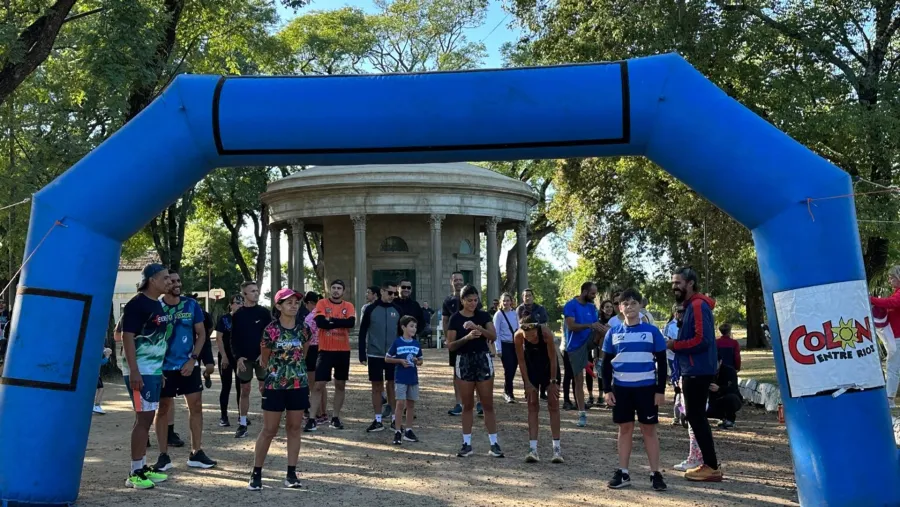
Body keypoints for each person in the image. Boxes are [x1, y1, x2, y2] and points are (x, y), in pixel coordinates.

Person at [601, 288, 668, 491]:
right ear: (619, 308)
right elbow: (605, 364)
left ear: (640, 306)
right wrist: (607, 390)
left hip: (647, 388)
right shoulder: (613, 333)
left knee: (649, 430)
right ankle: (623, 472)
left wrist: (660, 390)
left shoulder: (652, 332)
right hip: (621, 389)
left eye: (633, 303)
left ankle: (655, 473)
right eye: (625, 304)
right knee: (624, 429)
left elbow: (662, 362)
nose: (629, 307)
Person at [154, 271, 216, 471]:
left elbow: (201, 334)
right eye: (172, 281)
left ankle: (196, 452)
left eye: (179, 280)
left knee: (196, 407)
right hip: (163, 368)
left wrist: (193, 359)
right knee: (162, 409)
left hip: (188, 365)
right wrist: (155, 366)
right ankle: (163, 456)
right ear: (164, 284)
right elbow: (148, 339)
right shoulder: (155, 307)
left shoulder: (191, 305)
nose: (176, 284)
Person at [248, 288, 309, 491]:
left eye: (296, 302)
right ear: (278, 306)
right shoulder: (270, 330)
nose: (293, 305)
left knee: (294, 428)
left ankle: (291, 473)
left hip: (298, 385)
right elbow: (264, 358)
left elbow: (304, 353)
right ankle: (256, 472)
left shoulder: (304, 329)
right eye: (288, 302)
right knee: (269, 430)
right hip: (275, 385)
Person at [668, 267, 723, 482]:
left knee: (696, 416)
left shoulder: (698, 305)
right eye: (673, 282)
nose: (674, 286)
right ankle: (709, 463)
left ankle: (711, 465)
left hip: (697, 370)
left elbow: (703, 340)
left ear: (690, 283)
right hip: (694, 369)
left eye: (678, 282)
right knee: (695, 416)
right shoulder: (691, 306)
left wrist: (676, 344)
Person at [120, 263, 172, 489]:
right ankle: (134, 472)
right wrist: (134, 370)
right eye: (165, 278)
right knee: (143, 419)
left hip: (152, 370)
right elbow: (126, 336)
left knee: (148, 418)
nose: (169, 282)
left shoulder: (157, 305)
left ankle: (141, 465)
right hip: (139, 370)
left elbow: (158, 340)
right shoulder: (136, 304)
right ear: (152, 279)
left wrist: (158, 370)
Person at [446, 285, 503, 458]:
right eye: (469, 300)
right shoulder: (455, 318)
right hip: (463, 360)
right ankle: (466, 443)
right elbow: (450, 345)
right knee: (467, 405)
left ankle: (494, 444)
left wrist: (479, 329)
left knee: (487, 404)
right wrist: (467, 337)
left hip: (482, 359)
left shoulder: (483, 315)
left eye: (475, 300)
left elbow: (493, 336)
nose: (473, 303)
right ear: (462, 301)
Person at [307, 280, 356, 431]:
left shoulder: (348, 306)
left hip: (342, 350)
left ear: (343, 291)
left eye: (339, 288)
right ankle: (312, 418)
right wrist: (340, 322)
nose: (336, 290)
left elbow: (350, 323)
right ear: (329, 289)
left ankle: (335, 417)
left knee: (340, 385)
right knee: (318, 385)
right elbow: (320, 323)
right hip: (325, 350)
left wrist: (331, 321)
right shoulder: (321, 303)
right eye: (333, 288)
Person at [514, 315, 563, 463]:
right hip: (532, 369)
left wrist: (553, 382)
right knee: (532, 405)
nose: (530, 338)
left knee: (553, 405)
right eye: (527, 336)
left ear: (537, 329)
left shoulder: (546, 333)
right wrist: (527, 383)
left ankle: (557, 449)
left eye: (533, 335)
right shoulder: (518, 337)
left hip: (549, 369)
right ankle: (533, 449)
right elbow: (521, 362)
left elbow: (553, 358)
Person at [359, 280, 401, 433]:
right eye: (390, 293)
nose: (392, 296)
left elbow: (402, 333)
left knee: (392, 386)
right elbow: (363, 331)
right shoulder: (370, 309)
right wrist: (362, 353)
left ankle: (395, 419)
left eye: (395, 293)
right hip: (374, 354)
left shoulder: (397, 309)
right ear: (382, 292)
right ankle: (377, 420)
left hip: (392, 355)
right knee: (376, 386)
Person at [232, 281, 273, 438]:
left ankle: (269, 423)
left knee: (265, 388)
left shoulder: (264, 312)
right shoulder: (238, 315)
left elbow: (271, 335)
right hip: (244, 359)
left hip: (262, 357)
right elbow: (233, 339)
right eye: (252, 291)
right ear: (244, 295)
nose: (256, 293)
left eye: (257, 290)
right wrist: (238, 357)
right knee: (245, 390)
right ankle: (242, 424)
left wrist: (265, 354)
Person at [442, 271, 483, 417]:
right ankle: (459, 403)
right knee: (457, 374)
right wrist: (448, 338)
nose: (458, 282)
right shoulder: (448, 301)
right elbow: (445, 320)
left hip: (473, 339)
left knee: (477, 372)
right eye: (455, 280)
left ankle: (479, 403)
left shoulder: (472, 297)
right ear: (451, 282)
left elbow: (480, 317)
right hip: (456, 341)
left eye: (460, 279)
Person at [563, 282, 603, 427]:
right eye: (592, 293)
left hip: (589, 339)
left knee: (606, 331)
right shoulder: (571, 305)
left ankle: (602, 360)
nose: (594, 296)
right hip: (575, 345)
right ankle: (582, 413)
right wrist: (590, 325)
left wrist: (600, 330)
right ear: (585, 292)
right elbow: (571, 326)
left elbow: (595, 324)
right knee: (579, 380)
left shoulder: (592, 307)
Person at [386, 315, 424, 445]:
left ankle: (408, 430)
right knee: (400, 404)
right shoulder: (397, 342)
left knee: (410, 405)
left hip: (413, 378)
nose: (414, 329)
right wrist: (400, 361)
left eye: (415, 326)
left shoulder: (416, 344)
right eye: (411, 326)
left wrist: (417, 361)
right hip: (401, 378)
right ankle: (397, 431)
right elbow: (387, 358)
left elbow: (421, 360)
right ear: (403, 327)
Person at [871, 265, 900, 407]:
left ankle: (889, 400)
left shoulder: (898, 294)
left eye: (892, 277)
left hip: (898, 337)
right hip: (895, 336)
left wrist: (871, 299)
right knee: (892, 366)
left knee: (893, 367)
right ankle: (889, 398)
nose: (889, 280)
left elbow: (892, 303)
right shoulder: (896, 292)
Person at [214, 295, 243, 427]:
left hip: (240, 358)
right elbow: (219, 338)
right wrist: (224, 356)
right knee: (226, 386)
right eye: (237, 303)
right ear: (231, 305)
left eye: (242, 302)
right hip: (226, 356)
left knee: (241, 387)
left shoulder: (245, 318)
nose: (240, 305)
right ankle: (223, 416)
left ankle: (241, 415)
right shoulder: (224, 319)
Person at [517, 288, 550, 399]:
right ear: (523, 297)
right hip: (526, 341)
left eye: (529, 295)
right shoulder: (519, 309)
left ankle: (543, 390)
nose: (527, 297)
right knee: (528, 365)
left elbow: (544, 322)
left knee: (542, 364)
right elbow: (519, 324)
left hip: (540, 340)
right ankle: (529, 387)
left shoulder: (540, 308)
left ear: (533, 296)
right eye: (525, 295)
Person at [302, 292, 328, 425]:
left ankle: (316, 413)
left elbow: (306, 340)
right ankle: (323, 412)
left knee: (313, 385)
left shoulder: (309, 318)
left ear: (309, 303)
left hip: (312, 350)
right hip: (325, 349)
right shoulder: (325, 314)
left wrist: (303, 356)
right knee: (322, 384)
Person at [493, 293, 521, 403]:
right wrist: (498, 349)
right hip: (504, 345)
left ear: (511, 302)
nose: (506, 303)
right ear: (501, 302)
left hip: (514, 344)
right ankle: (510, 393)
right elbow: (497, 333)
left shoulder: (514, 314)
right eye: (504, 301)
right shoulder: (498, 315)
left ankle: (506, 390)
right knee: (508, 368)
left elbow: (518, 329)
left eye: (508, 300)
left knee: (513, 368)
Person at [707, 359, 742, 429]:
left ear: (720, 362)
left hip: (727, 398)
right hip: (711, 401)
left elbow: (733, 388)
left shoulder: (729, 371)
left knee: (731, 398)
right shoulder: (706, 372)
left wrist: (719, 389)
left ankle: (729, 420)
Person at [93, 346, 113, 414]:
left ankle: (94, 406)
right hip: (94, 374)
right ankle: (96, 406)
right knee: (100, 389)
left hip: (93, 374)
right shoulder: (94, 348)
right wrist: (107, 356)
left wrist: (106, 350)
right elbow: (101, 362)